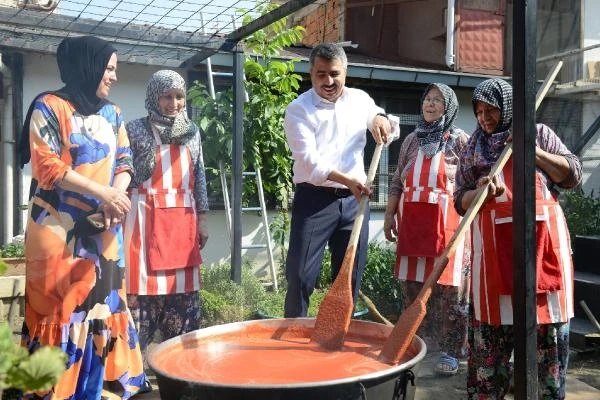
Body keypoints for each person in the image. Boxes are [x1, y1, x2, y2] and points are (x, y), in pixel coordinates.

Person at [19, 36, 147, 399]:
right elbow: (47, 167)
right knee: (59, 309)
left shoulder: (114, 112)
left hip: (105, 228)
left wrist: (114, 196)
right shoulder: (49, 106)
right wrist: (104, 194)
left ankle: (102, 390)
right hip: (58, 229)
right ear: (87, 67)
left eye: (115, 70)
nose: (113, 78)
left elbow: (125, 162)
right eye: (109, 69)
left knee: (103, 307)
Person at [454, 78, 581, 399]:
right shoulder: (472, 148)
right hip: (493, 264)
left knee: (547, 359)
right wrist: (480, 190)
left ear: (508, 107)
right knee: (487, 367)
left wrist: (532, 152)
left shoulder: (538, 133)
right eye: (479, 111)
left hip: (542, 256)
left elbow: (572, 174)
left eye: (491, 110)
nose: (484, 117)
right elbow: (459, 200)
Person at [283, 43, 393, 318]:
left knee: (350, 275)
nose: (328, 81)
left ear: (345, 71)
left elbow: (383, 120)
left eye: (334, 74)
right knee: (300, 275)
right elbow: (309, 160)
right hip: (314, 200)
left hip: (355, 203)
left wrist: (381, 119)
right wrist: (348, 181)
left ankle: (337, 336)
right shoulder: (298, 110)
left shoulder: (360, 100)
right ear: (311, 73)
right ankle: (293, 338)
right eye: (321, 74)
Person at [383, 83, 471, 376]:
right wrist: (389, 215)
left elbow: (473, 180)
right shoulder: (411, 140)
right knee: (412, 285)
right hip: (413, 225)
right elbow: (397, 180)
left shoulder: (460, 140)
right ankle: (419, 343)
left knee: (449, 290)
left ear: (449, 107)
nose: (430, 105)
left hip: (449, 225)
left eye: (437, 100)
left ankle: (451, 350)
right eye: (427, 99)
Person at [123, 70, 208, 356]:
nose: (174, 103)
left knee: (181, 298)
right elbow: (121, 173)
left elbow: (200, 175)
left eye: (179, 96)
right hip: (143, 222)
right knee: (139, 298)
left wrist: (204, 221)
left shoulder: (193, 132)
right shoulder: (133, 129)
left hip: (182, 222)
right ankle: (134, 373)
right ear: (154, 97)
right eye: (167, 96)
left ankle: (180, 367)